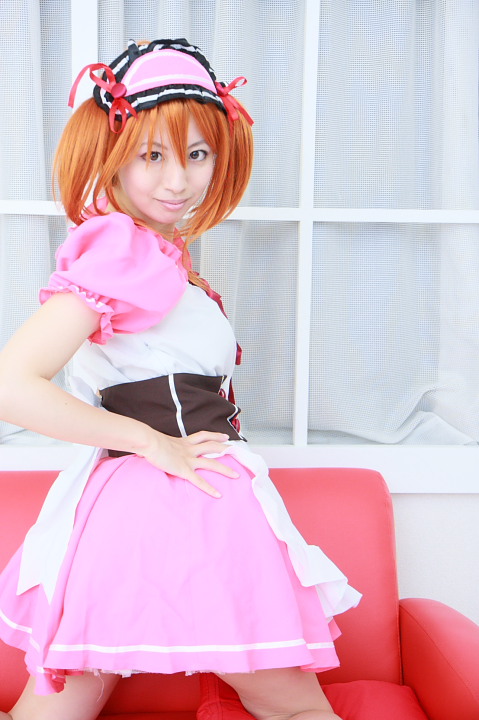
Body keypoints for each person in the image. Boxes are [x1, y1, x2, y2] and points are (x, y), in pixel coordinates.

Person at [0, 38, 360, 720]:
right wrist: (151, 441)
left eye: (197, 154)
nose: (178, 180)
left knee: (54, 712)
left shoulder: (153, 252)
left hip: (155, 505)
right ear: (112, 154)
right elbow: (12, 384)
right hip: (178, 507)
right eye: (151, 156)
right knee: (296, 709)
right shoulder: (121, 249)